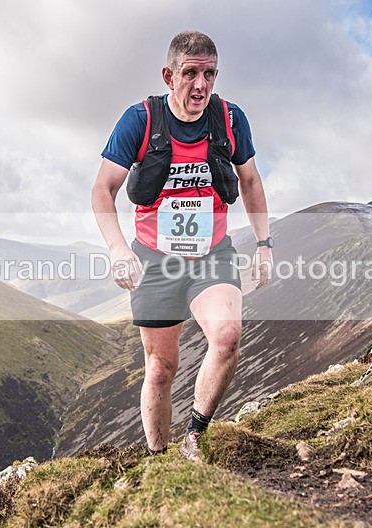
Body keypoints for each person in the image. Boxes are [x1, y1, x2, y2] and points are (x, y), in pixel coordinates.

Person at [91, 30, 272, 463]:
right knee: (160, 368)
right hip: (155, 258)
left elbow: (249, 180)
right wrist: (118, 249)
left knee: (227, 335)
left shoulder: (230, 119)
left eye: (209, 74)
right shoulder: (140, 120)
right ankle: (158, 458)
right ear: (169, 75)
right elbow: (103, 189)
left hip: (212, 253)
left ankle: (194, 436)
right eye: (191, 73)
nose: (201, 85)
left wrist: (264, 245)